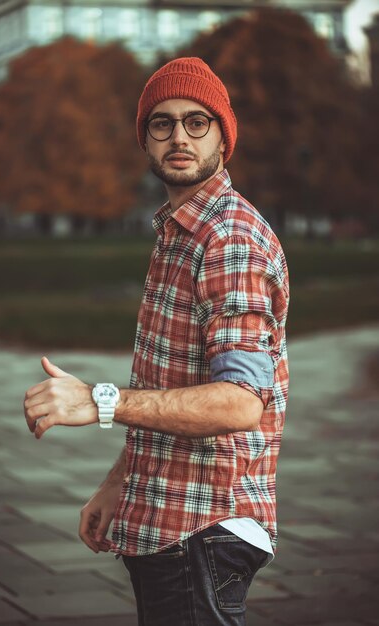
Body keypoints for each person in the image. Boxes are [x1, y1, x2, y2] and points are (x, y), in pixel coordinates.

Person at [23, 57, 289, 626]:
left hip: (203, 526)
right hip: (168, 515)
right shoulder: (179, 231)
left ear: (224, 135)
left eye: (198, 122)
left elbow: (240, 402)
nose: (179, 137)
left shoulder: (229, 240)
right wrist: (121, 482)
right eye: (161, 123)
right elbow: (169, 387)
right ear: (144, 139)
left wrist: (97, 401)